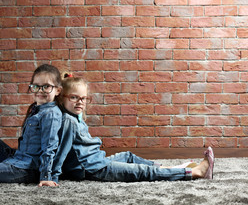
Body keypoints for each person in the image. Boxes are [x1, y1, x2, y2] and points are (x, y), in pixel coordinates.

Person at [51, 74, 214, 184]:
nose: (80, 102)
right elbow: (61, 153)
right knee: (141, 172)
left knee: (128, 156)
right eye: (74, 97)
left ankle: (167, 168)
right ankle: (193, 173)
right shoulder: (67, 120)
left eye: (83, 98)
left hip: (97, 160)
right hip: (93, 169)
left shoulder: (75, 117)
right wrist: (51, 176)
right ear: (61, 98)